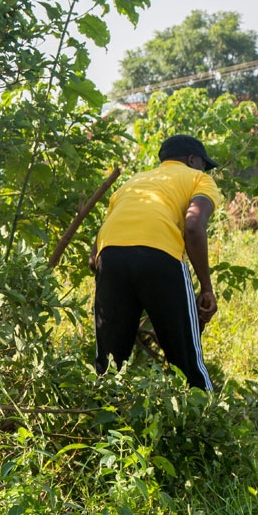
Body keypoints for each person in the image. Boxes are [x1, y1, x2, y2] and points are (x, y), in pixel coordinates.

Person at [89, 134, 222, 390]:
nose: (205, 170)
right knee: (185, 357)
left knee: (109, 363)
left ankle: (105, 421)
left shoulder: (132, 183)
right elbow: (193, 227)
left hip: (111, 257)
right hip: (160, 256)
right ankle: (203, 419)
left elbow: (93, 259)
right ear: (193, 160)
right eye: (204, 164)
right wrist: (206, 288)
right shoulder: (198, 179)